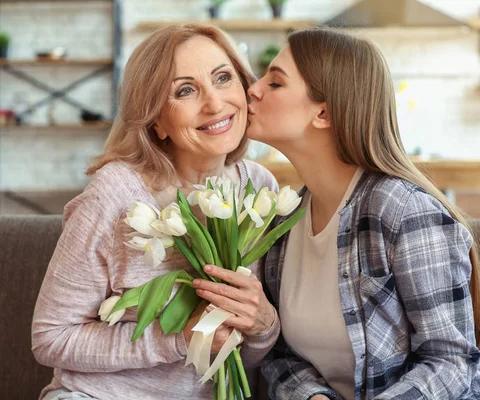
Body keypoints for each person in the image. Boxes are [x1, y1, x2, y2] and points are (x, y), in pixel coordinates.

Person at [192, 27, 480, 399]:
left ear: (324, 113)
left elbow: (451, 362)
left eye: (275, 83)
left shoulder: (400, 210)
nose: (252, 88)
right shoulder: (284, 219)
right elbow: (282, 355)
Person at [31, 23, 281, 400]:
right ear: (156, 121)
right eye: (185, 90)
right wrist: (178, 339)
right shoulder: (115, 194)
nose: (215, 103)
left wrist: (264, 326)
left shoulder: (259, 188)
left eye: (223, 78)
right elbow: (51, 338)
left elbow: (245, 358)